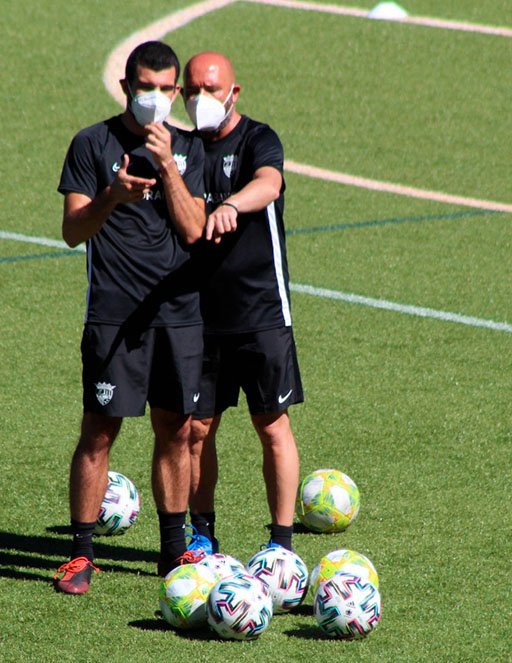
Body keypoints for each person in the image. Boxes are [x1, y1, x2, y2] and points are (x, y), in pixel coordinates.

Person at [53, 41, 207, 594]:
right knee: (99, 432)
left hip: (180, 316)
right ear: (126, 87)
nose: (157, 98)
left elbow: (195, 230)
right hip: (113, 317)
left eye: (168, 89)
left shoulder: (192, 148)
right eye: (147, 88)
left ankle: (172, 552)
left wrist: (167, 164)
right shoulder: (91, 145)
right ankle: (80, 555)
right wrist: (113, 196)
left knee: (177, 429)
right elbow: (72, 232)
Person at [182, 52, 303, 553]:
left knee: (271, 425)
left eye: (211, 89)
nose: (200, 99)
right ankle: (201, 536)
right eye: (192, 90)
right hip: (197, 315)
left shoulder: (258, 139)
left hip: (261, 313)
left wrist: (232, 203)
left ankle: (282, 544)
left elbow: (269, 184)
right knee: (195, 430)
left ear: (234, 91)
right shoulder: (180, 148)